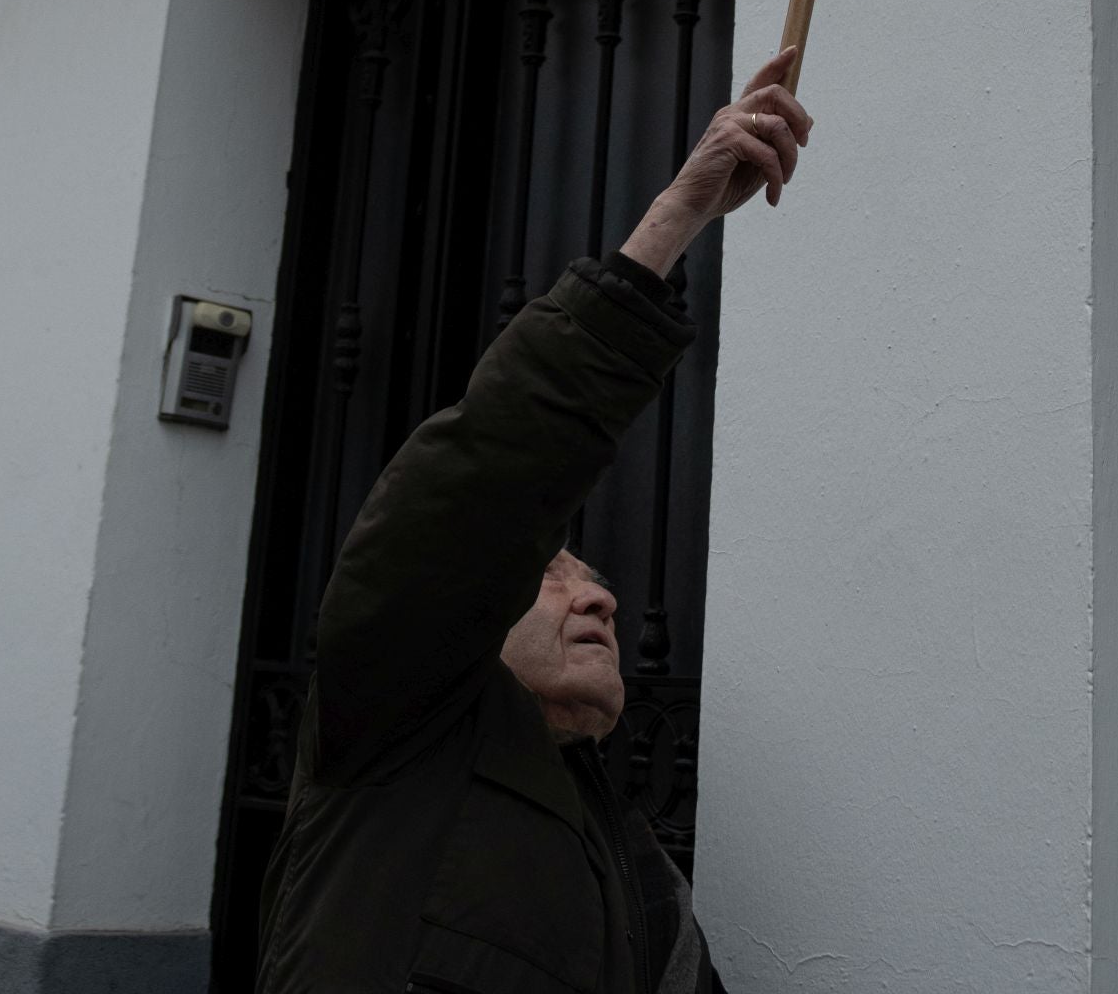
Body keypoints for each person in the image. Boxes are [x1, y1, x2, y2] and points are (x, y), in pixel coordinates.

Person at [256, 48, 814, 994]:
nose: (593, 592)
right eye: (552, 571)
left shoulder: (633, 865)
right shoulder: (396, 728)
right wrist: (675, 218)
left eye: (593, 575)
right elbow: (487, 480)